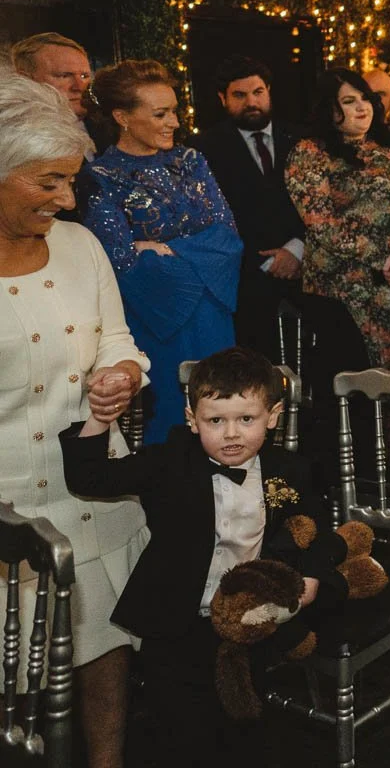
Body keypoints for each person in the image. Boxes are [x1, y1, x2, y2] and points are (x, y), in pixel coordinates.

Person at [59, 346, 348, 768]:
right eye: (216, 421)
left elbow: (316, 530)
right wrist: (101, 420)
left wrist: (313, 576)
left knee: (242, 726)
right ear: (193, 420)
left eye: (246, 419)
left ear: (273, 415)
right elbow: (91, 477)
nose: (232, 434)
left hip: (247, 623)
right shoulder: (171, 461)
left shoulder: (291, 469)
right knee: (180, 732)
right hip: (176, 625)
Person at [0, 75, 150, 768]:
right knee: (13, 684)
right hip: (8, 512)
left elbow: (115, 337)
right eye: (49, 182)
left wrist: (122, 373)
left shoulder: (80, 246)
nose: (66, 199)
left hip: (94, 489)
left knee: (105, 646)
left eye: (71, 182)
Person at [85, 60, 240, 447]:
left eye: (174, 111)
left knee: (225, 416)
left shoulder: (191, 161)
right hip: (154, 322)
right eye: (160, 114)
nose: (174, 122)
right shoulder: (100, 178)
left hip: (213, 316)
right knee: (172, 428)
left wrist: (167, 249)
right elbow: (120, 262)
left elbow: (228, 238)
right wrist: (196, 258)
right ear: (122, 117)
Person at [286, 70, 390, 369]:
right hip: (342, 291)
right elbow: (321, 224)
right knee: (356, 388)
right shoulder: (309, 152)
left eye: (365, 98)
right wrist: (383, 258)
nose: (362, 107)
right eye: (349, 101)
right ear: (329, 109)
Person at [195, 55, 309, 359]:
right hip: (244, 283)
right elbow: (209, 219)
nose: (251, 102)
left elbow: (320, 206)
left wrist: (297, 249)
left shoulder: (303, 140)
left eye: (258, 92)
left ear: (269, 91)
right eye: (240, 95)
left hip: (308, 274)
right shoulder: (203, 149)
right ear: (223, 98)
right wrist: (264, 261)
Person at [12, 31, 107, 211]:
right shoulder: (12, 142)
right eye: (64, 75)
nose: (80, 87)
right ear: (26, 80)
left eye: (85, 76)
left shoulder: (112, 129)